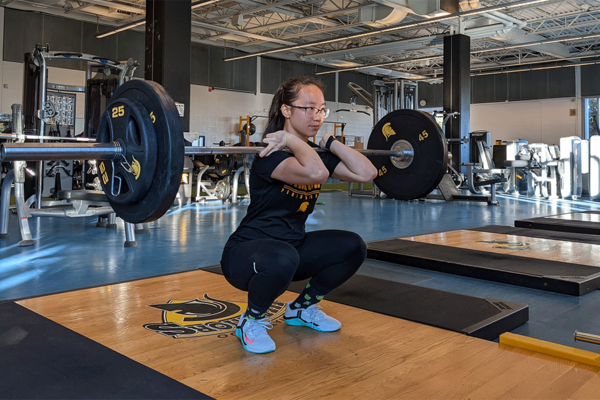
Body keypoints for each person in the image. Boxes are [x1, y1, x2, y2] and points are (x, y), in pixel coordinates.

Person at [220, 76, 378, 354]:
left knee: (353, 246)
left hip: (292, 247)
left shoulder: (315, 154)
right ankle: (251, 320)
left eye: (321, 110)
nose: (317, 117)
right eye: (308, 109)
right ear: (286, 110)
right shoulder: (270, 154)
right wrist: (291, 139)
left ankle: (300, 309)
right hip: (246, 255)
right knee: (283, 256)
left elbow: (368, 173)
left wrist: (330, 142)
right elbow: (315, 173)